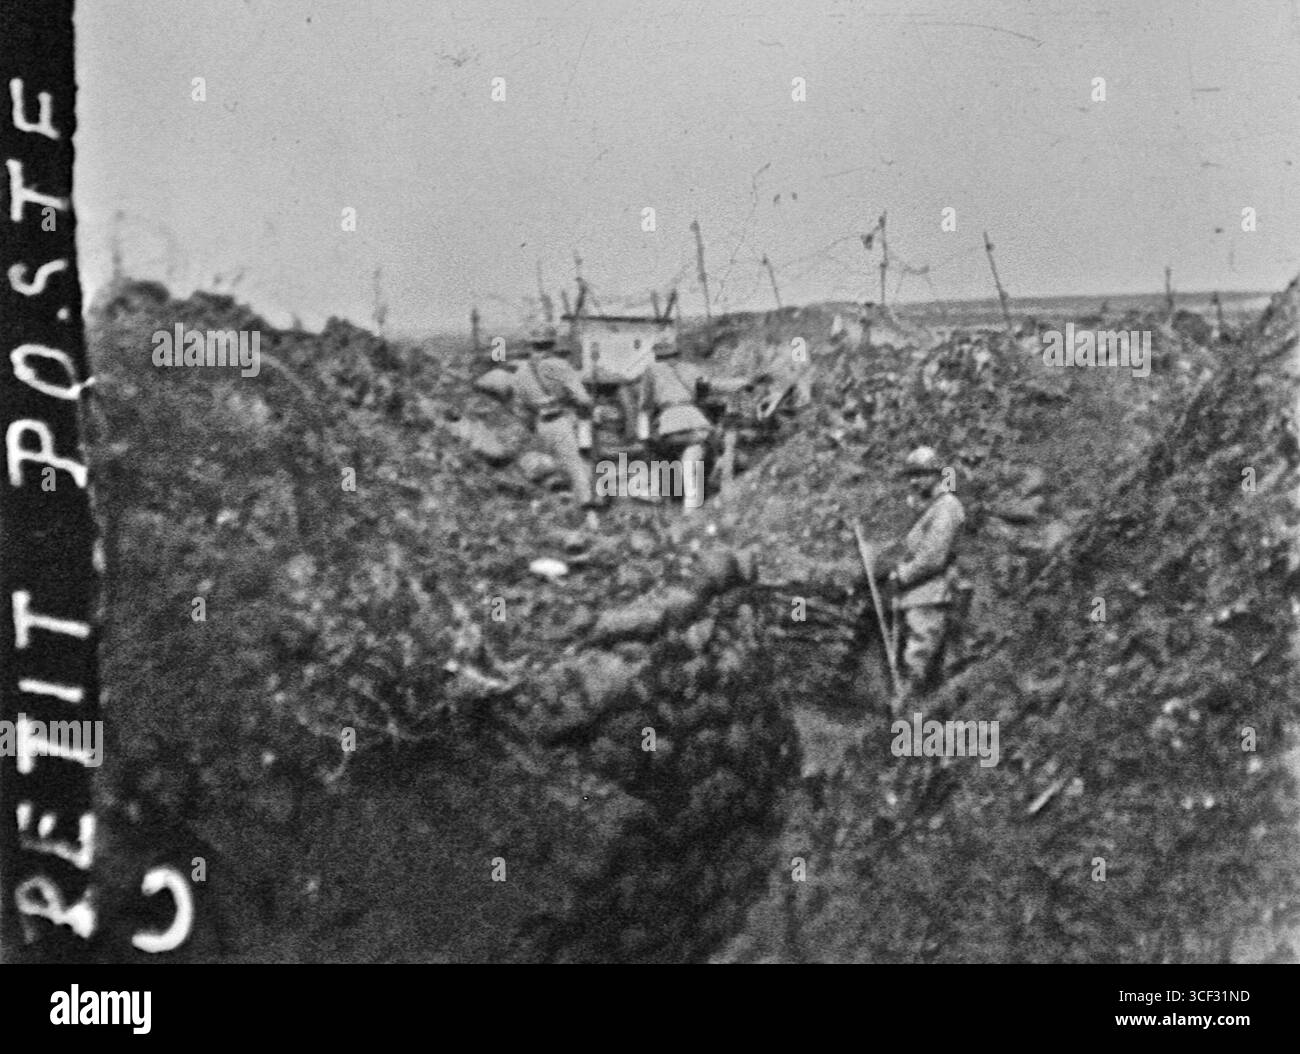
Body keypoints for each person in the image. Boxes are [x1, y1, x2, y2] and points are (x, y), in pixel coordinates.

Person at [477, 325, 596, 507]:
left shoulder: (520, 372)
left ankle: (552, 503)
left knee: (549, 465)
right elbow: (583, 399)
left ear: (532, 344)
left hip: (539, 424)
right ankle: (587, 507)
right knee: (576, 465)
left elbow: (520, 407)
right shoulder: (560, 366)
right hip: (561, 420)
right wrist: (585, 406)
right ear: (553, 344)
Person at [885, 445, 965, 696]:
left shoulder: (947, 506)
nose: (914, 481)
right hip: (917, 595)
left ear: (936, 474)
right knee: (909, 659)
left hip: (932, 594)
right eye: (911, 475)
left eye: (920, 474)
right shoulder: (929, 508)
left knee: (917, 658)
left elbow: (932, 558)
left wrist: (902, 575)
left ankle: (911, 714)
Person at [637, 341, 748, 512]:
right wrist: (742, 383)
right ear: (677, 354)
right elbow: (711, 387)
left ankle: (665, 493)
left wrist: (644, 432)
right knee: (692, 457)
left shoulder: (651, 369)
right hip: (696, 422)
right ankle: (691, 504)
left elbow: (645, 403)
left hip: (670, 424)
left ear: (657, 356)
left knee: (661, 454)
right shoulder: (690, 368)